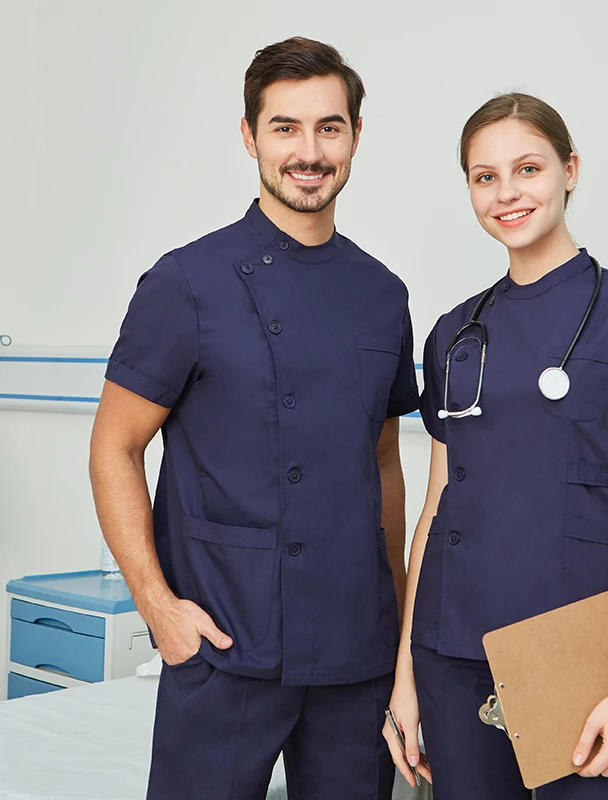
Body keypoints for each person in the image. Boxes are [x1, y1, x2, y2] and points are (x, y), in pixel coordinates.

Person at [89, 37, 419, 800]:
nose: (309, 151)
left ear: (356, 136)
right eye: (285, 127)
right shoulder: (187, 282)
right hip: (224, 641)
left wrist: (397, 622)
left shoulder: (384, 294)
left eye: (329, 127)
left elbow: (382, 465)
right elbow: (114, 446)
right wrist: (158, 608)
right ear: (250, 137)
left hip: (354, 653)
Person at [384, 92, 608, 800]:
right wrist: (405, 679)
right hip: (453, 649)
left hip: (584, 652)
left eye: (528, 168)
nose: (507, 193)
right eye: (484, 177)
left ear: (570, 170)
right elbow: (435, 510)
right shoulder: (455, 331)